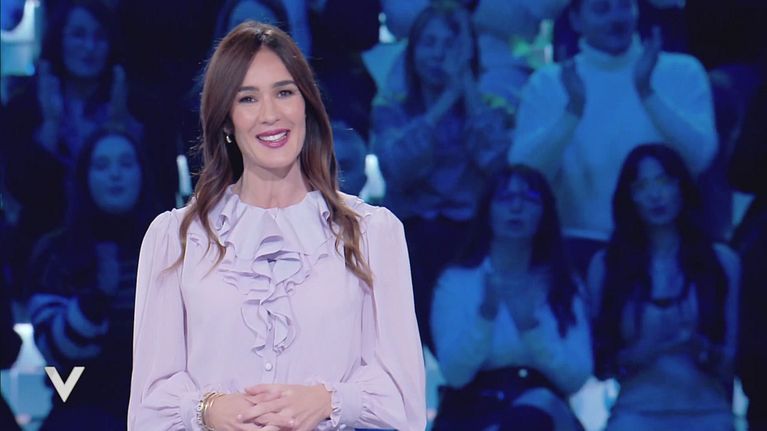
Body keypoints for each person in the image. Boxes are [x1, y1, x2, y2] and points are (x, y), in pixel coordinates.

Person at [128, 21, 426, 431]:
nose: (270, 115)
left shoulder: (371, 234)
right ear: (227, 121)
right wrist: (209, 409)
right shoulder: (176, 239)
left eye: (284, 93)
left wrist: (327, 400)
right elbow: (148, 407)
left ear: (306, 105)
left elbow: (404, 400)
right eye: (248, 99)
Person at [510, 0, 717, 278]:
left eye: (624, 6)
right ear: (575, 20)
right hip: (578, 247)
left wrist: (647, 93)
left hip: (664, 247)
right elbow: (525, 174)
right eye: (601, 9)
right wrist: (571, 113)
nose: (616, 18)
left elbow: (701, 157)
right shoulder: (548, 82)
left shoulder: (682, 70)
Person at [372, 2, 512, 350]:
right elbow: (398, 169)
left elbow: (496, 164)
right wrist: (446, 100)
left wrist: (467, 89)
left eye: (451, 44)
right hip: (407, 238)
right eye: (429, 43)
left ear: (470, 52)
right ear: (412, 50)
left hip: (470, 240)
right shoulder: (391, 106)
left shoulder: (493, 107)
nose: (439, 54)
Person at [588, 144, 739, 431]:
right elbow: (600, 366)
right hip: (635, 412)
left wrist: (700, 347)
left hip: (707, 412)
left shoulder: (722, 262)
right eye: (642, 186)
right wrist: (639, 353)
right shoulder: (607, 266)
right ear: (629, 196)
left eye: (664, 182)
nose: (655, 195)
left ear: (682, 187)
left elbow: (734, 362)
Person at [431, 165, 591, 431]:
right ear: (488, 211)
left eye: (529, 199)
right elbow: (455, 374)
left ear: (545, 212)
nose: (517, 207)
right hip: (473, 411)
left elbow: (576, 377)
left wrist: (531, 328)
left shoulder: (564, 283)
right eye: (505, 198)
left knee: (532, 414)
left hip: (543, 411)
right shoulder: (458, 281)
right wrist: (486, 315)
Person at [26, 127, 157, 430]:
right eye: (102, 166)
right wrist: (96, 298)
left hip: (162, 405)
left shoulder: (175, 243)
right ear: (84, 178)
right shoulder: (56, 251)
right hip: (83, 405)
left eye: (126, 164)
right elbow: (54, 349)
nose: (115, 175)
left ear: (142, 173)